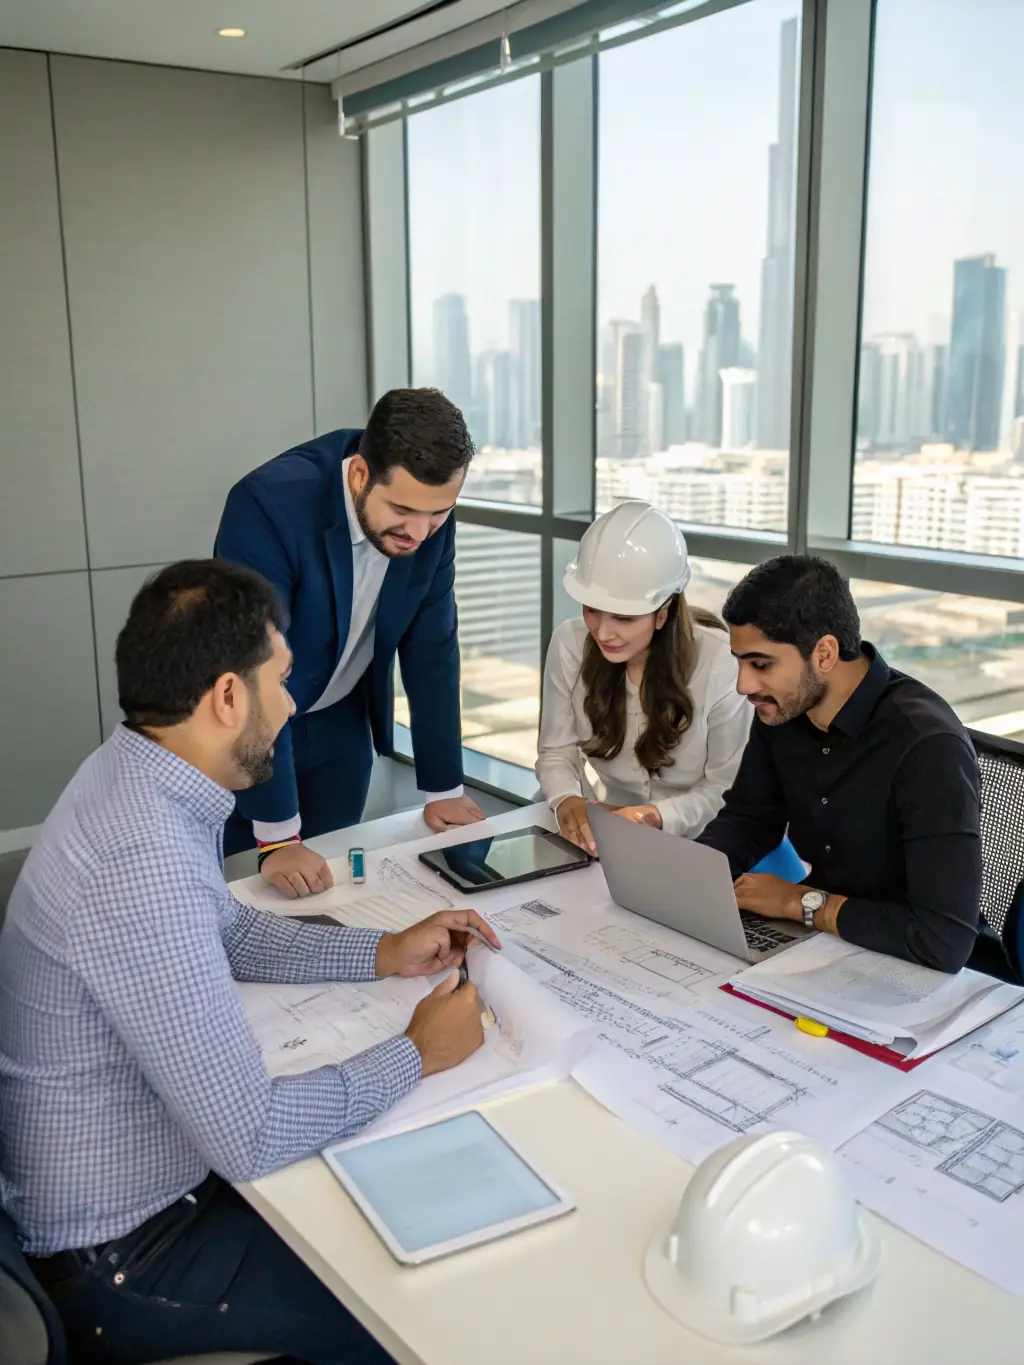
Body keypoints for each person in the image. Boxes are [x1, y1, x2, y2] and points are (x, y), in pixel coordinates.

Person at [0, 559, 500, 1365]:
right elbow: (252, 1135)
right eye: (283, 679)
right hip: (128, 1256)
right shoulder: (143, 858)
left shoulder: (134, 775)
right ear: (229, 696)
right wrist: (418, 1051)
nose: (293, 704)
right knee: (419, 1325)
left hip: (151, 1198)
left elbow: (225, 928)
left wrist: (383, 950)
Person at [214, 387, 485, 899]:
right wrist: (277, 837)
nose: (420, 533)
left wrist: (445, 788)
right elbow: (252, 666)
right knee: (236, 893)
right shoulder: (267, 504)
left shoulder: (427, 515)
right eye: (403, 509)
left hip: (340, 724)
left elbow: (433, 649)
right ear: (359, 474)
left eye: (439, 514)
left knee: (332, 889)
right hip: (247, 729)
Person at [696, 555, 982, 973]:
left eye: (760, 664)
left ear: (825, 653)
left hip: (909, 965)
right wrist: (689, 881)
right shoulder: (785, 708)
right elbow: (750, 818)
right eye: (739, 662)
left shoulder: (926, 746)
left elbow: (941, 940)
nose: (744, 685)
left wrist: (800, 903)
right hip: (824, 942)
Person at [536, 501, 750, 855]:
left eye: (624, 617)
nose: (603, 632)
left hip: (701, 840)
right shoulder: (570, 644)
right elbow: (556, 751)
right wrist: (566, 799)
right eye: (592, 609)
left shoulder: (720, 665)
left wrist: (654, 817)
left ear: (664, 611)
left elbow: (725, 790)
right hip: (606, 834)